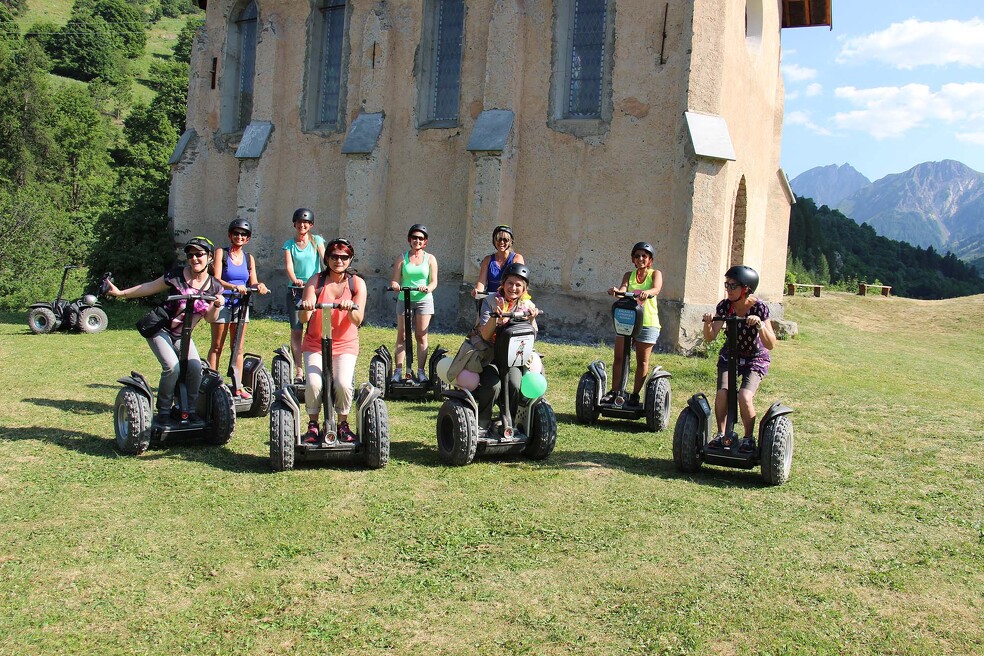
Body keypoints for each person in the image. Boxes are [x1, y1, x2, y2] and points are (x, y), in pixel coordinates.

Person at [105, 237, 224, 421]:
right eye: (190, 255)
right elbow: (149, 287)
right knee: (172, 367)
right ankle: (164, 411)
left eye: (199, 254)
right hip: (161, 329)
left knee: (194, 367)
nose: (194, 259)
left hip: (183, 334)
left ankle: (189, 410)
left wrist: (216, 305)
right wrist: (121, 293)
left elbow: (210, 319)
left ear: (209, 257)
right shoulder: (176, 275)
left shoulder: (214, 286)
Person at [702, 265, 778, 452]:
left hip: (755, 358)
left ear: (746, 289)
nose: (728, 289)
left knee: (744, 396)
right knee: (723, 393)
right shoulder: (725, 306)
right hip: (731, 354)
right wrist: (707, 323)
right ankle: (722, 435)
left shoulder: (759, 308)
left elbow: (771, 344)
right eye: (726, 285)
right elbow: (711, 336)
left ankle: (748, 438)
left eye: (732, 286)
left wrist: (759, 325)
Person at [298, 239, 367, 444]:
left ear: (350, 259)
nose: (339, 261)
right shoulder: (315, 281)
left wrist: (350, 307)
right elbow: (303, 319)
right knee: (313, 383)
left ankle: (342, 424)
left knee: (343, 384)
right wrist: (307, 307)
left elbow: (358, 319)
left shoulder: (357, 284)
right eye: (334, 256)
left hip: (345, 343)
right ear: (327, 258)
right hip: (315, 342)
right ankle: (312, 425)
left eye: (344, 257)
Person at [207, 218, 270, 398]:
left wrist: (259, 286)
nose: (239, 237)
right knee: (217, 346)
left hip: (241, 305)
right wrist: (233, 287)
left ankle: (238, 385)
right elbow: (216, 279)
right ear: (230, 235)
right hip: (222, 302)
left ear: (248, 238)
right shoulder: (221, 253)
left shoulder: (248, 258)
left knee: (238, 348)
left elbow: (253, 280)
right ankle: (213, 383)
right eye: (236, 233)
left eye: (243, 234)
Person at [474, 263, 539, 430]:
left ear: (525, 288)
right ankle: (482, 423)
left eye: (519, 285)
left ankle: (510, 423)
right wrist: (495, 317)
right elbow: (485, 335)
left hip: (513, 357)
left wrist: (531, 320)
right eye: (510, 283)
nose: (514, 288)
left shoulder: (527, 306)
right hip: (490, 355)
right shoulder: (490, 301)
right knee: (493, 385)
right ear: (503, 283)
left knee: (515, 384)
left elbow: (532, 336)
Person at [605, 241, 663, 406]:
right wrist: (616, 292)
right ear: (633, 259)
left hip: (647, 322)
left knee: (642, 361)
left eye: (644, 256)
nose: (641, 259)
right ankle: (615, 391)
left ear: (649, 259)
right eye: (637, 256)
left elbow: (656, 289)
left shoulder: (655, 274)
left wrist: (648, 292)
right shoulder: (628, 275)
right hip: (627, 320)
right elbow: (623, 290)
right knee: (619, 357)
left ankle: (635, 395)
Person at [388, 223, 439, 383]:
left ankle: (421, 372)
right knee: (402, 335)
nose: (417, 241)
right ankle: (398, 371)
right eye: (414, 238)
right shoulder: (401, 258)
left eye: (421, 238)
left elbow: (434, 282)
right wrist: (395, 285)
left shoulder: (430, 259)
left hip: (423, 300)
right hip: (404, 299)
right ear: (409, 240)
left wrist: (427, 288)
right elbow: (395, 280)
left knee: (421, 335)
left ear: (425, 242)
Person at [284, 208, 326, 381]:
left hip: (314, 290)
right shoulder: (289, 244)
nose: (303, 225)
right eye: (300, 222)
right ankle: (299, 370)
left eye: (306, 223)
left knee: (316, 330)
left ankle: (317, 368)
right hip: (296, 290)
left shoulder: (317, 241)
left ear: (311, 225)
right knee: (296, 330)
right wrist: (295, 280)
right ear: (295, 224)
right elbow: (289, 266)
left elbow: (325, 260)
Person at [471, 225, 526, 298]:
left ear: (510, 241)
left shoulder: (517, 258)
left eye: (505, 239)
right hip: (491, 298)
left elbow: (519, 283)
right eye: (498, 239)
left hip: (509, 299)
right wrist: (477, 291)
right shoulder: (487, 260)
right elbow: (481, 282)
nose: (502, 242)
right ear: (494, 240)